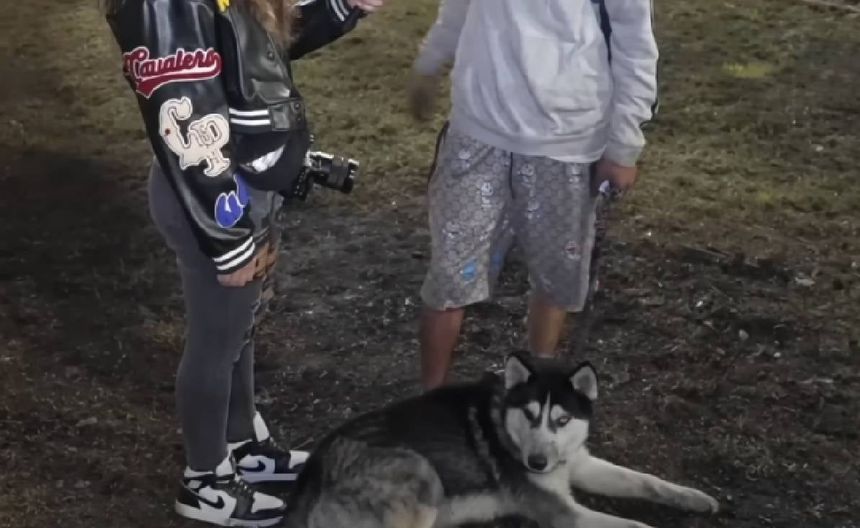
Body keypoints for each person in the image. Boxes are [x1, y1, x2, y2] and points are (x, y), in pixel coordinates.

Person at [103, 0, 385, 525]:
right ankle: (205, 480)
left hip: (241, 188)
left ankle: (240, 443)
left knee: (239, 331)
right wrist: (225, 235)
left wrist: (340, 7)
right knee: (216, 342)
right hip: (216, 198)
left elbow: (256, 55)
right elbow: (182, 109)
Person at [407, 0, 659, 390]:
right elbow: (459, 5)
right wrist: (431, 60)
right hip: (476, 129)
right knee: (449, 274)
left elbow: (634, 41)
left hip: (566, 142)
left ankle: (538, 387)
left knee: (554, 275)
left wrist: (624, 145)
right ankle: (431, 399)